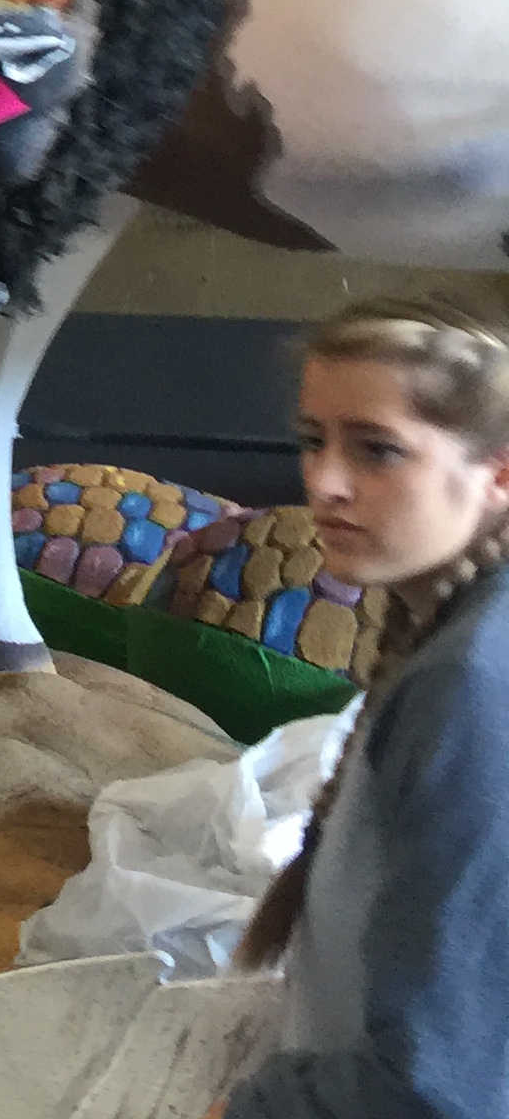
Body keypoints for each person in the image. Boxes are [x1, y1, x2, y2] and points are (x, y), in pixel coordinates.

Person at [217, 295, 509, 1119]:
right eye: (314, 440)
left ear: (498, 474)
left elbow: (437, 1086)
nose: (324, 482)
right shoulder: (456, 637)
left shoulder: (474, 685)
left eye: (378, 450)